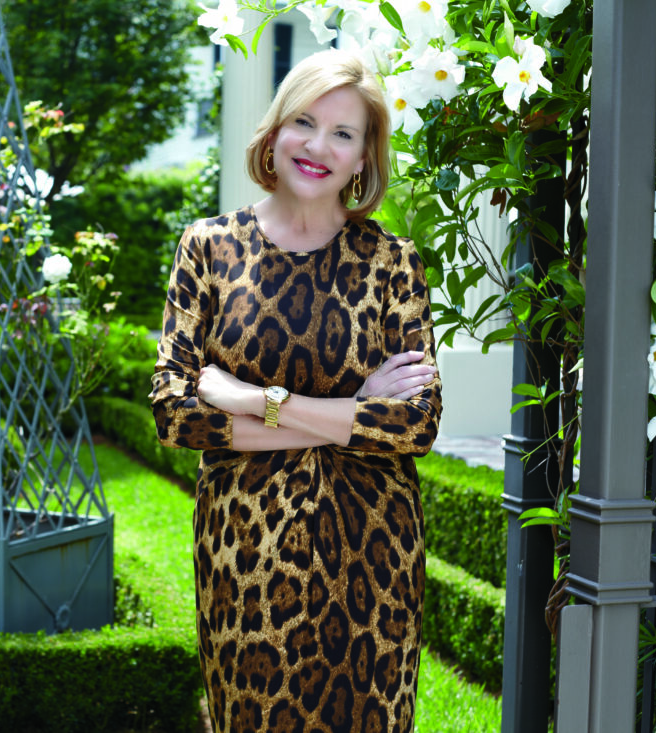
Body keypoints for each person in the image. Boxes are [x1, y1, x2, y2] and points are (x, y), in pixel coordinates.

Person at [149, 49, 442, 733]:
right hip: (246, 559)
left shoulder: (396, 264)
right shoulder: (209, 249)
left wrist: (253, 399)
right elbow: (173, 412)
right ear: (275, 131)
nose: (318, 146)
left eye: (344, 133)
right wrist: (355, 409)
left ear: (366, 156)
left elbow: (416, 425)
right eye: (304, 122)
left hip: (376, 559)